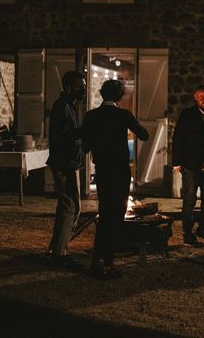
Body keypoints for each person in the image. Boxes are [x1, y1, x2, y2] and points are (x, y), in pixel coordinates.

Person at [82, 80, 149, 279]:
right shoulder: (123, 115)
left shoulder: (91, 116)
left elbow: (85, 147)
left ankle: (97, 261)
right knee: (116, 217)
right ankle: (108, 262)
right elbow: (144, 135)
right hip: (120, 172)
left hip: (102, 171)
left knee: (105, 213)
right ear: (120, 96)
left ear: (102, 94)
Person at [46, 71, 86, 269]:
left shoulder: (71, 105)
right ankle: (59, 253)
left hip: (70, 162)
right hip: (64, 164)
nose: (83, 90)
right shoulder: (62, 107)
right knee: (70, 206)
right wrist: (86, 131)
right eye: (80, 86)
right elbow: (65, 136)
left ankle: (57, 247)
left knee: (71, 207)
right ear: (68, 88)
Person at [172, 84, 204, 247]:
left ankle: (203, 229)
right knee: (190, 199)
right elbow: (178, 138)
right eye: (202, 97)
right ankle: (188, 233)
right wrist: (176, 162)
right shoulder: (187, 114)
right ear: (195, 97)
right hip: (190, 163)